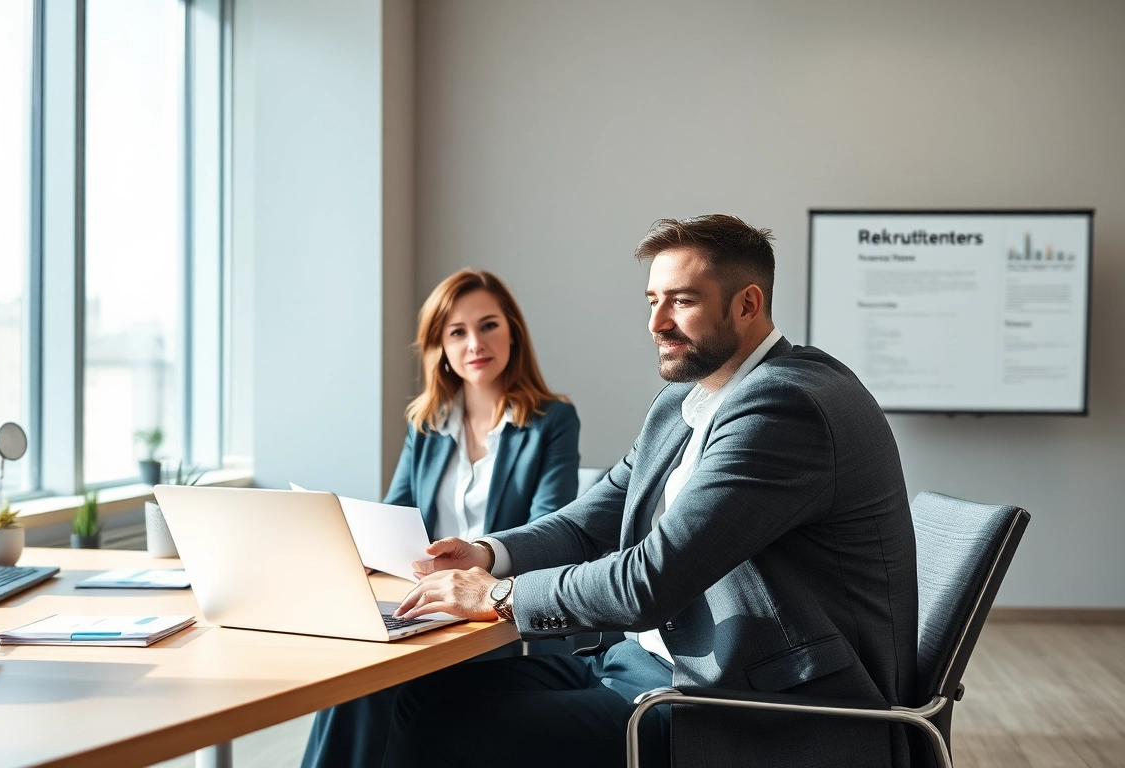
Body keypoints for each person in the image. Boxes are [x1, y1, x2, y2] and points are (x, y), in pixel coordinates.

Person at [367, 214, 920, 768]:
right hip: (648, 666)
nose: (657, 322)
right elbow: (591, 520)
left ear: (748, 304)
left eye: (682, 301)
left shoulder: (787, 407)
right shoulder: (687, 402)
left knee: (447, 731)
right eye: (652, 300)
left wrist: (497, 595)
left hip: (746, 705)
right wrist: (489, 553)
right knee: (420, 698)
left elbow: (648, 582)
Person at [301, 268, 582, 768]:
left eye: (489, 325)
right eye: (457, 332)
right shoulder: (426, 424)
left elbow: (550, 529)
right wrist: (361, 550)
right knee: (357, 681)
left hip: (489, 613)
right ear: (441, 348)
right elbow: (394, 514)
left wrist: (477, 572)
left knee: (378, 687)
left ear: (512, 331)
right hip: (424, 604)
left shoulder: (551, 421)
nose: (475, 342)